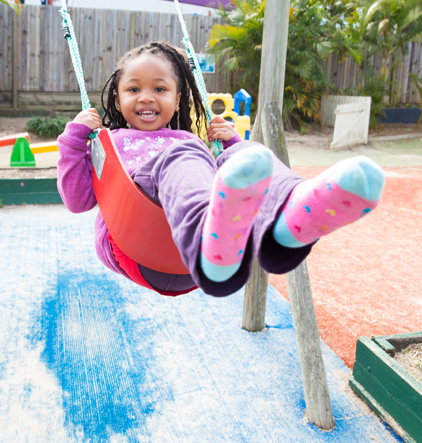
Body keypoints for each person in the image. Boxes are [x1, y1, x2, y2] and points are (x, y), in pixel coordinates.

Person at [57, 42, 384, 298]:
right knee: (186, 153)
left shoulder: (187, 141)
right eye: (133, 89)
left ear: (177, 97)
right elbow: (76, 201)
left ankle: (287, 224)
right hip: (135, 246)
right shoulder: (109, 144)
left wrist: (232, 145)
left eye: (159, 89)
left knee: (249, 156)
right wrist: (74, 141)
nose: (146, 98)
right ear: (117, 96)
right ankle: (209, 239)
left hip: (197, 263)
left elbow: (217, 172)